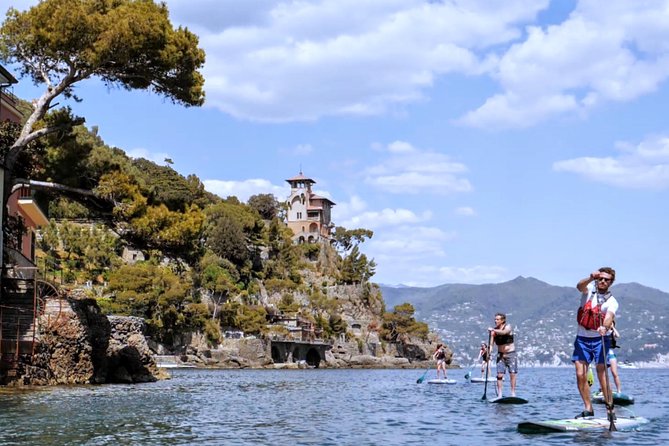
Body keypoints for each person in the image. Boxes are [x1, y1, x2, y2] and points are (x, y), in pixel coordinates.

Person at [573, 267, 619, 419]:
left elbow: (609, 317)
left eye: (606, 279)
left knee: (602, 375)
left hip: (600, 340)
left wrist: (604, 327)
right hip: (582, 339)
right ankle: (588, 408)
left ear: (610, 282)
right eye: (601, 278)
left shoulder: (612, 301)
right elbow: (579, 286)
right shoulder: (589, 290)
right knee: (580, 375)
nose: (603, 281)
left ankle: (610, 409)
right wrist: (590, 277)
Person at [488, 313, 518, 397]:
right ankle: (500, 394)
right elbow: (491, 344)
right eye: (495, 319)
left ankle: (513, 393)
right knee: (499, 375)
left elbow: (504, 332)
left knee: (512, 374)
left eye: (497, 319)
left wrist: (493, 330)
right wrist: (489, 353)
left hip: (511, 354)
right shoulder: (493, 332)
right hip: (500, 355)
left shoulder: (508, 327)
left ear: (502, 320)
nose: (495, 321)